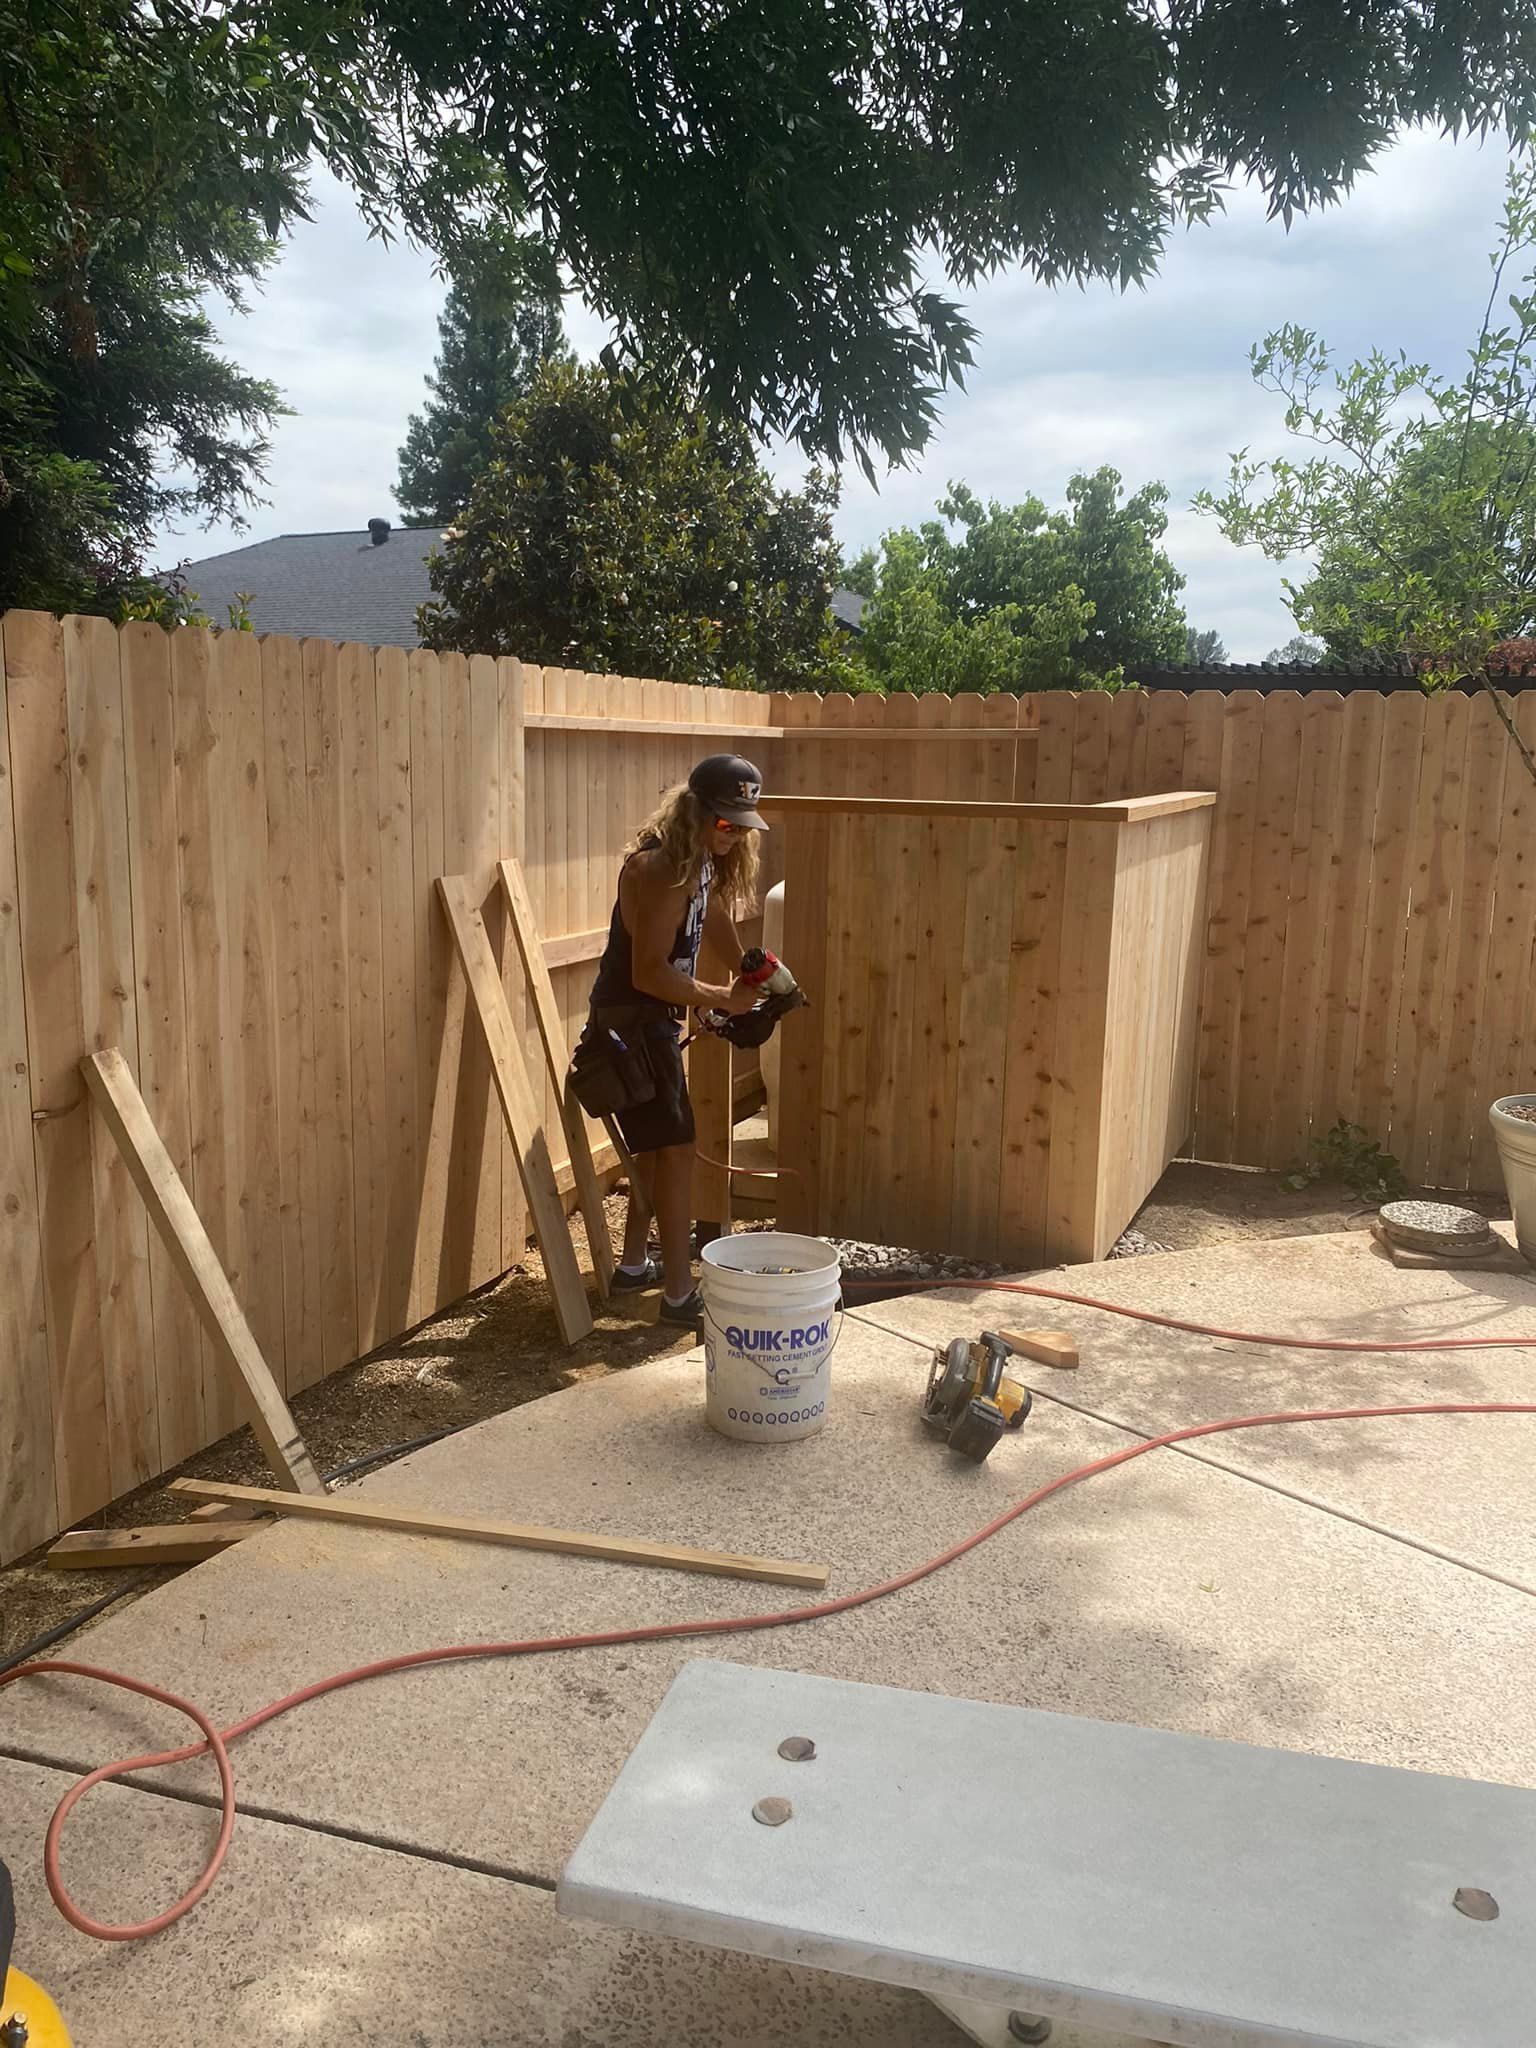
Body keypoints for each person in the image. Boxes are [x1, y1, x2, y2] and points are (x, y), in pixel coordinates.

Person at [586, 754, 768, 1323]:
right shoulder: (662, 870)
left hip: (655, 1021)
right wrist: (722, 997)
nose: (735, 835)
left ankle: (636, 1263)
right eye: (725, 823)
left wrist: (756, 974)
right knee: (679, 1150)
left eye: (743, 826)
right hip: (630, 1025)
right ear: (696, 812)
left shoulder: (700, 867)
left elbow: (712, 920)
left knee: (661, 1147)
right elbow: (648, 973)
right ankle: (679, 1297)